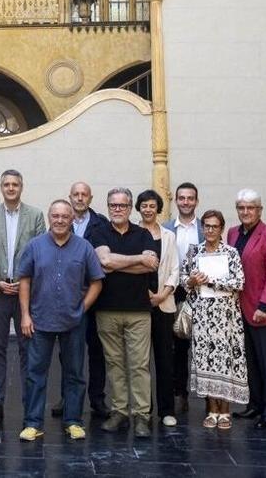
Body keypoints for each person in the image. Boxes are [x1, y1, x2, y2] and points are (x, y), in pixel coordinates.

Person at [17, 199, 105, 442]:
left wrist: (82, 308)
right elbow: (24, 279)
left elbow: (97, 281)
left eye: (64, 216)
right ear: (49, 217)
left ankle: (73, 421)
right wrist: (25, 314)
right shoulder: (35, 246)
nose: (59, 220)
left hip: (74, 322)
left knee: (75, 373)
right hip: (39, 320)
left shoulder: (84, 247)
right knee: (35, 373)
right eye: (55, 215)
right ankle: (33, 423)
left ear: (71, 219)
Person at [0, 169, 45, 424]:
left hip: (25, 292)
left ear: (21, 187)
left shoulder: (36, 216)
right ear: (1, 187)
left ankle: (30, 402)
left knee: (29, 349)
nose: (11, 188)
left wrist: (25, 282)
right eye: (6, 184)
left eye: (15, 184)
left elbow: (41, 253)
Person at [92, 187, 159, 438]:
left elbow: (151, 265)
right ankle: (119, 411)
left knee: (140, 365)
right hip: (106, 310)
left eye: (122, 205)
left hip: (139, 311)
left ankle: (142, 415)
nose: (117, 209)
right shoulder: (98, 233)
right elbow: (104, 262)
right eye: (113, 205)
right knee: (115, 364)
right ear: (108, 207)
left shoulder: (143, 234)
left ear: (130, 208)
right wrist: (137, 260)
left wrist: (119, 264)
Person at [228, 188, 266, 430]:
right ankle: (256, 404)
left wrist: (265, 305)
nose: (245, 212)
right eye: (241, 207)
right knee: (251, 363)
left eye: (250, 207)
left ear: (259, 210)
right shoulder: (232, 233)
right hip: (241, 308)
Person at [183, 209, 248, 430]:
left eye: (215, 226)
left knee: (225, 361)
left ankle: (226, 411)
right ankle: (211, 409)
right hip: (202, 317)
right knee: (205, 361)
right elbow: (184, 279)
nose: (210, 230)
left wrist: (210, 281)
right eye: (207, 226)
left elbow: (239, 282)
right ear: (203, 228)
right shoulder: (195, 252)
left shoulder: (231, 253)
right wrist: (192, 280)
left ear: (221, 229)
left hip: (226, 317)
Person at [50, 181, 110, 418]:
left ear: (90, 198)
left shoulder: (102, 224)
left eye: (84, 194)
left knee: (97, 350)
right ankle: (67, 398)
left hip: (96, 298)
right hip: (67, 297)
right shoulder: (61, 222)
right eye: (75, 194)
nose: (80, 198)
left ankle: (97, 399)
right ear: (70, 196)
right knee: (67, 352)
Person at [137, 188, 180, 427]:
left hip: (164, 303)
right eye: (144, 205)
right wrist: (146, 295)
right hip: (140, 304)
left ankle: (166, 411)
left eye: (152, 205)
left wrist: (162, 294)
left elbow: (175, 269)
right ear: (139, 208)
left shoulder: (169, 236)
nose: (148, 209)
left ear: (158, 208)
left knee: (165, 358)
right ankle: (144, 410)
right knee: (141, 361)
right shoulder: (133, 234)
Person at [163, 182, 200, 414]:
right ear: (176, 201)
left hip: (202, 292)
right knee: (177, 346)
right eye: (182, 198)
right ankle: (179, 394)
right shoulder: (167, 228)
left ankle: (210, 398)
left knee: (204, 346)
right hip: (174, 291)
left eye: (190, 198)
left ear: (196, 201)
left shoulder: (205, 228)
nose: (186, 202)